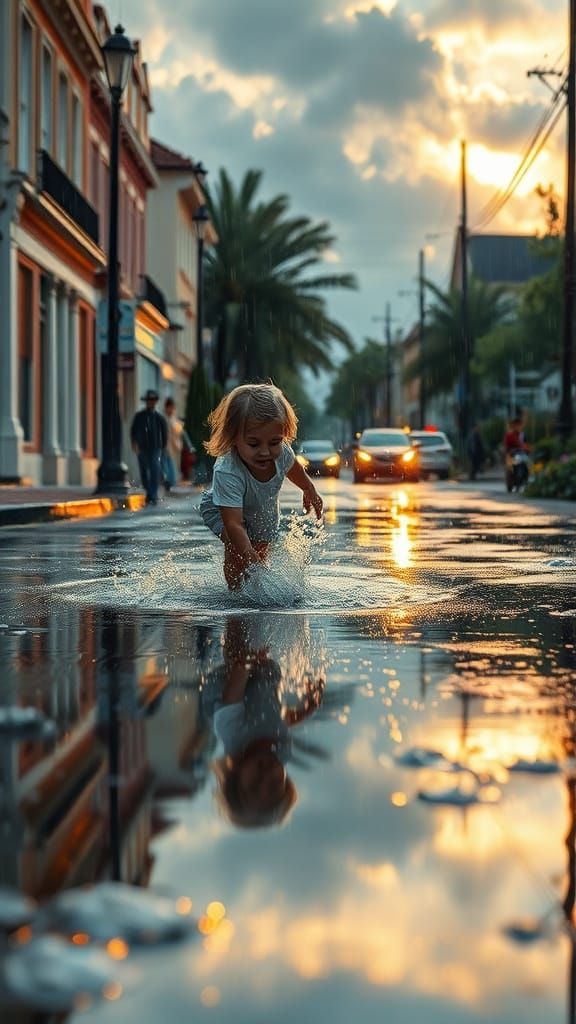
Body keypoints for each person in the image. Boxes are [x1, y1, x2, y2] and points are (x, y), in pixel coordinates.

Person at [203, 617, 325, 828]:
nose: (265, 776)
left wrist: (247, 661)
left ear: (235, 777)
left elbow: (238, 677)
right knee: (268, 667)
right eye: (275, 783)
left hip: (224, 691)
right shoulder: (283, 753)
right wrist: (304, 711)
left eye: (254, 784)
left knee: (236, 655)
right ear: (285, 780)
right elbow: (276, 721)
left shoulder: (231, 733)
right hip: (261, 687)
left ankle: (235, 601)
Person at [199, 383, 323, 590]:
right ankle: (235, 591)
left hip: (262, 510)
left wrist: (309, 489)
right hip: (225, 511)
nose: (265, 451)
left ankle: (257, 588)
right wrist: (250, 561)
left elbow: (292, 468)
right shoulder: (228, 471)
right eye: (254, 444)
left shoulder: (282, 452)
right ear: (233, 438)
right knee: (237, 547)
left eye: (274, 442)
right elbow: (234, 524)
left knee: (260, 552)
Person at [130, 389, 168, 505]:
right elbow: (133, 431)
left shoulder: (159, 418)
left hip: (155, 448)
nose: (151, 402)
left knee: (154, 469)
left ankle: (152, 494)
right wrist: (134, 443)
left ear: (155, 402)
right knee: (144, 471)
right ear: (146, 401)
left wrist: (163, 447)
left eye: (153, 400)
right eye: (149, 400)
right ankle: (148, 492)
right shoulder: (139, 416)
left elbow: (164, 433)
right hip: (142, 447)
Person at [162, 396, 185, 493]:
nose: (171, 409)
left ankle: (170, 483)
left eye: (173, 407)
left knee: (172, 466)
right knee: (167, 466)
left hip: (173, 446)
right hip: (165, 446)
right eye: (170, 407)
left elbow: (178, 431)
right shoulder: (164, 418)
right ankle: (167, 483)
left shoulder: (173, 418)